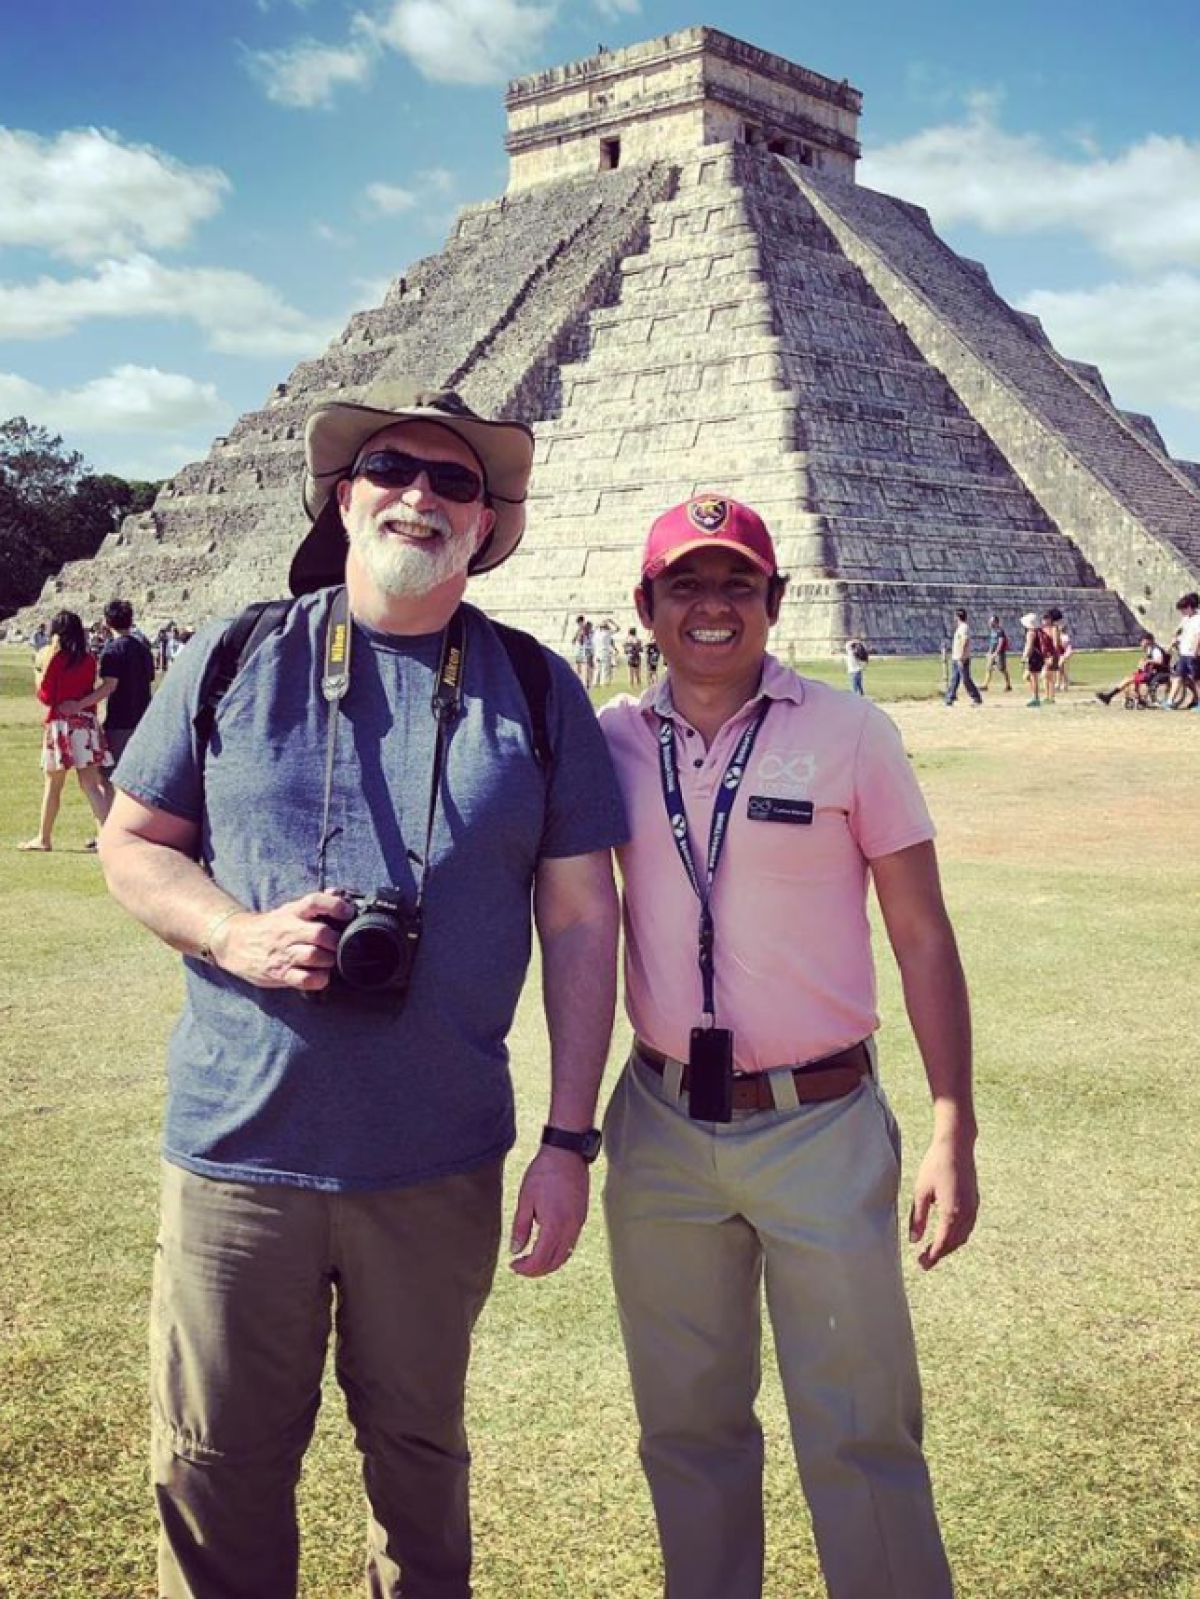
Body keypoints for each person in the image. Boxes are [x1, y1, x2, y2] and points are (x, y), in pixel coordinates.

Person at [98, 380, 627, 1599]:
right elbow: (132, 842)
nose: (422, 496)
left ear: (488, 526)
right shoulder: (234, 651)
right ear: (344, 495)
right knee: (215, 1468)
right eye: (393, 467)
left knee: (422, 1460)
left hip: (437, 1160)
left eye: (458, 483)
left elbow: (584, 919)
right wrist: (231, 936)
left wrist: (568, 1140)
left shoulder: (539, 692)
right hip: (241, 1154)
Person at [598, 495, 978, 1599]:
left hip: (820, 1121)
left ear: (775, 600)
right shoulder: (612, 741)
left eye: (736, 585)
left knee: (861, 1430)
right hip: (662, 1124)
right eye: (685, 586)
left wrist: (953, 1123)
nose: (711, 608)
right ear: (646, 606)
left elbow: (921, 932)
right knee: (685, 1428)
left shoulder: (852, 733)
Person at [19, 610, 114, 852]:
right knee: (91, 785)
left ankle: (44, 837)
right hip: (86, 723)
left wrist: (38, 673)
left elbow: (47, 696)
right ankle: (108, 836)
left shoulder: (56, 659)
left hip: (61, 724)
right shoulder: (88, 659)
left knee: (53, 785)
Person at [65, 599, 156, 767]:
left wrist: (79, 705)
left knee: (109, 776)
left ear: (107, 622)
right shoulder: (143, 650)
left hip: (121, 721)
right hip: (144, 720)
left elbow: (109, 686)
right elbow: (149, 679)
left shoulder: (113, 650)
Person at [1095, 634, 1168, 706]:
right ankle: (1135, 698)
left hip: (1157, 674)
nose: (1141, 643)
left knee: (1129, 679)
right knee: (1130, 677)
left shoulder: (1156, 650)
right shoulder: (1150, 649)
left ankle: (1109, 696)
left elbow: (1160, 661)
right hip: (1152, 673)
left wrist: (1148, 661)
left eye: (1143, 641)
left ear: (1149, 641)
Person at [1164, 591, 1200, 710]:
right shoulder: (1186, 619)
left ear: (1189, 607)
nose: (1182, 612)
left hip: (1192, 654)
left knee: (1196, 680)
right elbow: (1179, 631)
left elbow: (1198, 636)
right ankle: (1169, 701)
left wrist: (1195, 651)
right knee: (1177, 677)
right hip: (1183, 654)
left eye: (1183, 609)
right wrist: (1173, 642)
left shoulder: (1198, 619)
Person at [944, 607, 982, 706]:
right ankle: (949, 698)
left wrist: (961, 655)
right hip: (956, 657)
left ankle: (976, 697)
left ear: (957, 617)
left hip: (962, 657)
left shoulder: (964, 627)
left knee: (966, 679)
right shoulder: (961, 628)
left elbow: (965, 641)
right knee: (955, 679)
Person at [1020, 612, 1046, 707]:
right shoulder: (1039, 632)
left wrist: (1025, 657)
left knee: (1033, 677)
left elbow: (1029, 646)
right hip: (1039, 656)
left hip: (1034, 656)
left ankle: (1036, 697)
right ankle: (1035, 695)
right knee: (1028, 677)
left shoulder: (1031, 633)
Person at [982, 614, 1012, 692]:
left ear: (996, 622)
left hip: (999, 653)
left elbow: (1000, 643)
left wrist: (996, 653)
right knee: (988, 668)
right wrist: (989, 652)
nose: (990, 623)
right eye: (990, 622)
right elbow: (992, 643)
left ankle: (1008, 685)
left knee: (1002, 669)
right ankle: (985, 685)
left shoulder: (1000, 631)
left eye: (992, 622)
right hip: (992, 653)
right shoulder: (993, 631)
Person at [593, 616, 617, 686]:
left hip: (597, 652)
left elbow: (596, 627)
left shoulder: (596, 633)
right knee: (605, 669)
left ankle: (595, 683)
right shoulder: (607, 632)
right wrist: (611, 622)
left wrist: (601, 623)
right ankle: (604, 683)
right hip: (604, 652)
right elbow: (618, 628)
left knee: (597, 669)